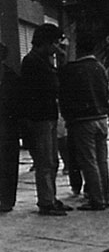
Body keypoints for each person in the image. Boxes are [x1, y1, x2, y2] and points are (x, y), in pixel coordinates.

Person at [21, 23, 71, 216]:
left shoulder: (43, 61)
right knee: (45, 161)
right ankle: (46, 201)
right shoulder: (33, 62)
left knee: (51, 160)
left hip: (48, 114)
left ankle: (50, 197)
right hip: (39, 117)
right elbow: (55, 85)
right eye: (55, 44)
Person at [59, 30, 109, 211]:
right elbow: (106, 94)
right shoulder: (100, 68)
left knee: (88, 161)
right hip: (101, 118)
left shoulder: (72, 69)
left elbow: (65, 96)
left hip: (82, 120)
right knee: (101, 160)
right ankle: (104, 195)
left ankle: (97, 199)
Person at [0, 42, 20, 212]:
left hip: (8, 128)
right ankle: (6, 200)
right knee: (7, 165)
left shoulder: (11, 76)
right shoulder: (10, 75)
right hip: (8, 128)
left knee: (7, 165)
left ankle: (6, 200)